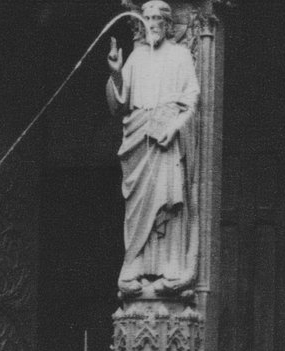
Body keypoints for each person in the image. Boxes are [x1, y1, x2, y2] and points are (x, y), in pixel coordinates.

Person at [105, 0, 200, 295]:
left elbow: (192, 100)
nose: (152, 24)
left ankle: (171, 268)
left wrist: (173, 128)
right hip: (138, 139)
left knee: (168, 204)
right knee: (138, 205)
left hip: (166, 138)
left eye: (158, 18)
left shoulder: (181, 55)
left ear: (168, 24)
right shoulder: (137, 56)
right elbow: (119, 105)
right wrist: (117, 72)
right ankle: (134, 266)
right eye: (146, 18)